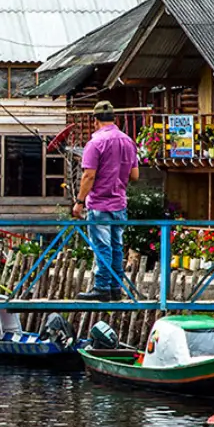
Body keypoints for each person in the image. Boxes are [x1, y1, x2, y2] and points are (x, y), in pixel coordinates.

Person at [72, 101, 139, 301]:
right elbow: (134, 175)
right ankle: (115, 288)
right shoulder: (128, 141)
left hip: (99, 203)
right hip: (119, 203)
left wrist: (79, 201)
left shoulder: (95, 143)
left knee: (102, 247)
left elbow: (88, 176)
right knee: (116, 246)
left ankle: (101, 287)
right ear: (114, 119)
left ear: (95, 121)